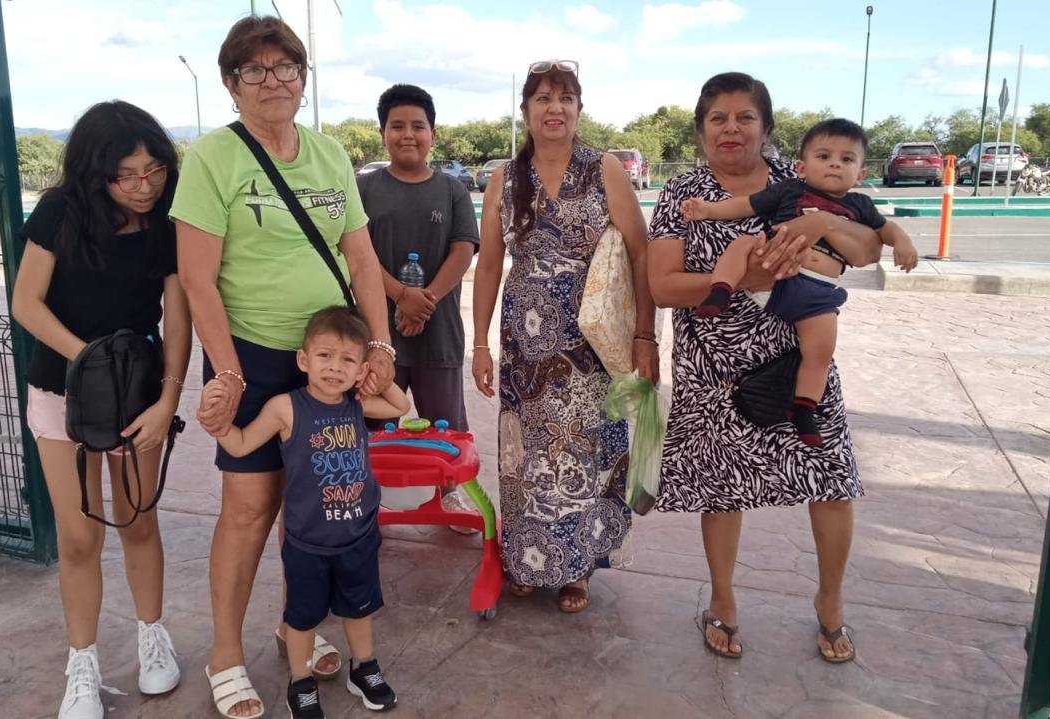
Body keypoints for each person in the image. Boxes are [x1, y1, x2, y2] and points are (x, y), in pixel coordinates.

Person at [170, 15, 394, 719]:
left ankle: (294, 624)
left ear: (303, 77)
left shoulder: (329, 155)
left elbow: (362, 260)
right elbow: (197, 279)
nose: (272, 81)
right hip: (254, 356)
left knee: (314, 501)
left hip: (330, 360)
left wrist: (380, 347)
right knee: (248, 508)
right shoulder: (212, 158)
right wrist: (228, 374)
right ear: (231, 83)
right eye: (254, 69)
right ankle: (225, 653)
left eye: (285, 67)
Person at [647, 72, 884, 664]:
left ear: (767, 128)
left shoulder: (803, 182)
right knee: (722, 491)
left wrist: (824, 223)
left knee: (831, 481)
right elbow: (662, 285)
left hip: (796, 365)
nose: (731, 129)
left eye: (745, 117)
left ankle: (830, 602)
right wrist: (743, 277)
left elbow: (867, 252)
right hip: (713, 371)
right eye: (718, 118)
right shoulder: (682, 194)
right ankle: (722, 601)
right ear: (701, 130)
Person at [10, 100, 190, 719]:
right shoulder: (60, 212)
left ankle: (152, 637)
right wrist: (89, 361)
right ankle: (82, 664)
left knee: (138, 519)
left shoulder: (167, 222)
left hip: (139, 397)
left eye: (154, 170)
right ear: (95, 173)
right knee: (80, 536)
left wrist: (168, 399)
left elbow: (178, 319)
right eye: (126, 175)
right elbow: (26, 303)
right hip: (60, 393)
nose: (144, 186)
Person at [471, 59, 658, 613]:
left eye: (565, 98)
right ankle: (528, 559)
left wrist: (644, 336)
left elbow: (641, 253)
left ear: (579, 108)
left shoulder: (604, 170)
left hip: (591, 347)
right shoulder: (505, 179)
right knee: (527, 454)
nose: (555, 108)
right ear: (526, 110)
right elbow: (489, 266)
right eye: (543, 98)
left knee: (584, 451)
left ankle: (577, 567)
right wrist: (479, 343)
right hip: (524, 346)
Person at [201, 307, 409, 718]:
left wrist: (376, 379)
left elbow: (399, 404)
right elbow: (241, 444)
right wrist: (218, 423)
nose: (334, 368)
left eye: (347, 360)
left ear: (360, 369)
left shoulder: (357, 405)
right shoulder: (286, 408)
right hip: (307, 543)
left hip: (357, 536)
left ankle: (364, 667)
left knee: (360, 608)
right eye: (324, 356)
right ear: (303, 359)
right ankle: (301, 682)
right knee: (301, 617)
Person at [679, 118, 918, 445]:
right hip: (773, 278)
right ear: (802, 167)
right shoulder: (790, 190)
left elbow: (884, 232)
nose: (835, 164)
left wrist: (903, 242)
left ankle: (804, 408)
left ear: (860, 174)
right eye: (824, 156)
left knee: (819, 352)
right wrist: (709, 210)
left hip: (818, 295)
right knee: (743, 242)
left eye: (847, 159)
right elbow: (746, 205)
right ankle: (721, 290)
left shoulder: (860, 205)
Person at [357, 83, 480, 531]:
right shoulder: (364, 188)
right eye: (397, 126)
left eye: (418, 126)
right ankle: (366, 502)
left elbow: (463, 249)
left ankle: (451, 495)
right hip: (377, 333)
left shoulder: (452, 189)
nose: (407, 134)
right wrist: (400, 296)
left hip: (438, 330)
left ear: (433, 134)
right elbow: (358, 253)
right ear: (383, 133)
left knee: (446, 426)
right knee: (372, 424)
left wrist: (423, 301)